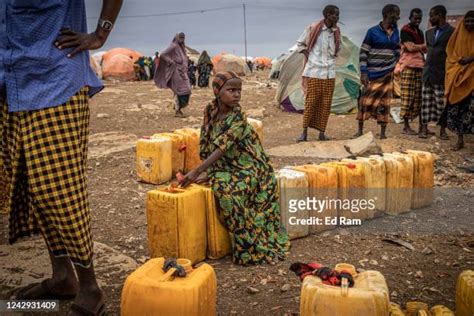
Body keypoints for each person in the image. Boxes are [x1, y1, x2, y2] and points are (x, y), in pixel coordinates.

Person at [1, 1, 122, 315]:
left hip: (55, 78)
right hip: (10, 81)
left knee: (57, 189)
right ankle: (63, 276)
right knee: (29, 184)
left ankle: (90, 287)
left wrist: (100, 33)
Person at [179, 71, 291, 265]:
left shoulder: (238, 115)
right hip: (227, 165)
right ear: (217, 91)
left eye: (239, 90)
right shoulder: (211, 109)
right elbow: (206, 139)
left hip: (251, 165)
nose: (236, 95)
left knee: (229, 194)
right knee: (220, 185)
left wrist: (197, 170)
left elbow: (224, 145)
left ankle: (247, 245)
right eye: (231, 90)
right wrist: (209, 170)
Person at [295, 5, 341, 142]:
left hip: (329, 73)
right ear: (327, 14)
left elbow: (339, 48)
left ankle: (322, 133)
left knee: (326, 104)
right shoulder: (314, 28)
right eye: (334, 15)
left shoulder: (337, 32)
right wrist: (308, 55)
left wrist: (333, 57)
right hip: (314, 71)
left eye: (338, 16)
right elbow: (300, 44)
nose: (337, 18)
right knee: (311, 102)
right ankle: (304, 133)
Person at [355, 4, 401, 139]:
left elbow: (397, 48)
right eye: (396, 14)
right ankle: (360, 131)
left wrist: (396, 62)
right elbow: (363, 52)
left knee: (384, 103)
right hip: (373, 73)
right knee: (365, 102)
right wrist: (364, 72)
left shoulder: (395, 32)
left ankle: (382, 133)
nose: (398, 17)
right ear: (387, 14)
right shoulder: (372, 31)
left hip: (388, 73)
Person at [419, 5, 455, 139]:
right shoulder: (428, 33)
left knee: (441, 103)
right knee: (426, 102)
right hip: (427, 72)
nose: (430, 18)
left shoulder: (452, 32)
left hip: (441, 73)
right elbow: (428, 51)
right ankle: (424, 128)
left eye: (432, 15)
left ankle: (442, 130)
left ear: (439, 15)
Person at [442, 10, 474, 150]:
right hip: (458, 77)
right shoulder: (457, 36)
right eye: (467, 21)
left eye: (473, 21)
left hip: (472, 79)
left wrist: (472, 59)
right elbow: (450, 54)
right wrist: (459, 63)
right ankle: (459, 140)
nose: (470, 23)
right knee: (458, 109)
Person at [399, 8, 427, 135]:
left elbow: (423, 50)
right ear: (410, 18)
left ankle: (422, 126)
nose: (417, 20)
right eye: (415, 18)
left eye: (419, 18)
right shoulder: (405, 30)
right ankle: (406, 126)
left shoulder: (420, 32)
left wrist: (418, 47)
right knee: (407, 97)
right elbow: (410, 48)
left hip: (420, 66)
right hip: (408, 66)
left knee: (420, 98)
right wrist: (421, 46)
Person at [154, 32, 192, 118]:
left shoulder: (181, 47)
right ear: (177, 37)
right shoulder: (174, 46)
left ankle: (177, 107)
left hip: (183, 72)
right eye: (180, 37)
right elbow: (163, 54)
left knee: (187, 90)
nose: (182, 39)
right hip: (176, 72)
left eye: (183, 37)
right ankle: (177, 110)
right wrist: (170, 61)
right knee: (179, 91)